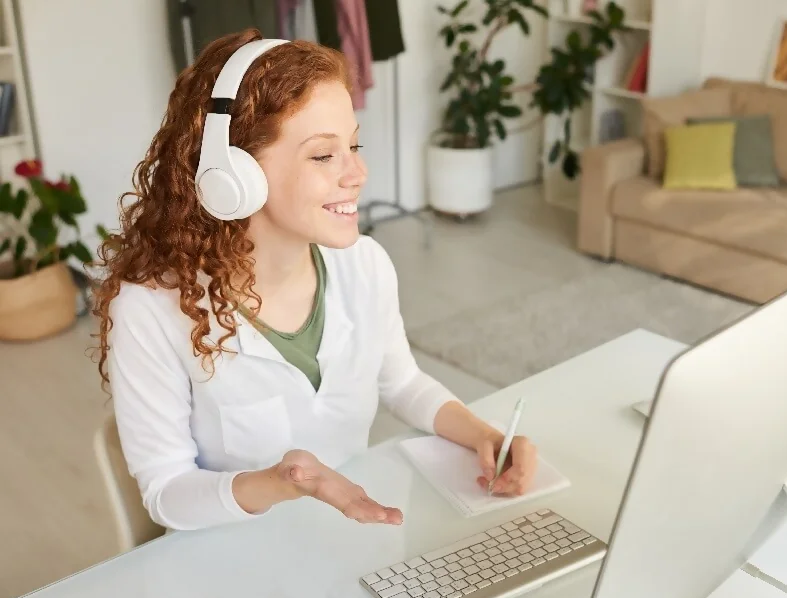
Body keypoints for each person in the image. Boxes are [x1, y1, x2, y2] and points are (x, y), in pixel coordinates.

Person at [91, 29, 537, 532]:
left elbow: (403, 383)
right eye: (324, 155)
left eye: (354, 145)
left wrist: (483, 436)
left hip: (353, 531)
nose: (358, 173)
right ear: (233, 175)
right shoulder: (149, 309)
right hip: (233, 562)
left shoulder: (365, 264)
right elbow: (167, 493)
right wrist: (285, 484)